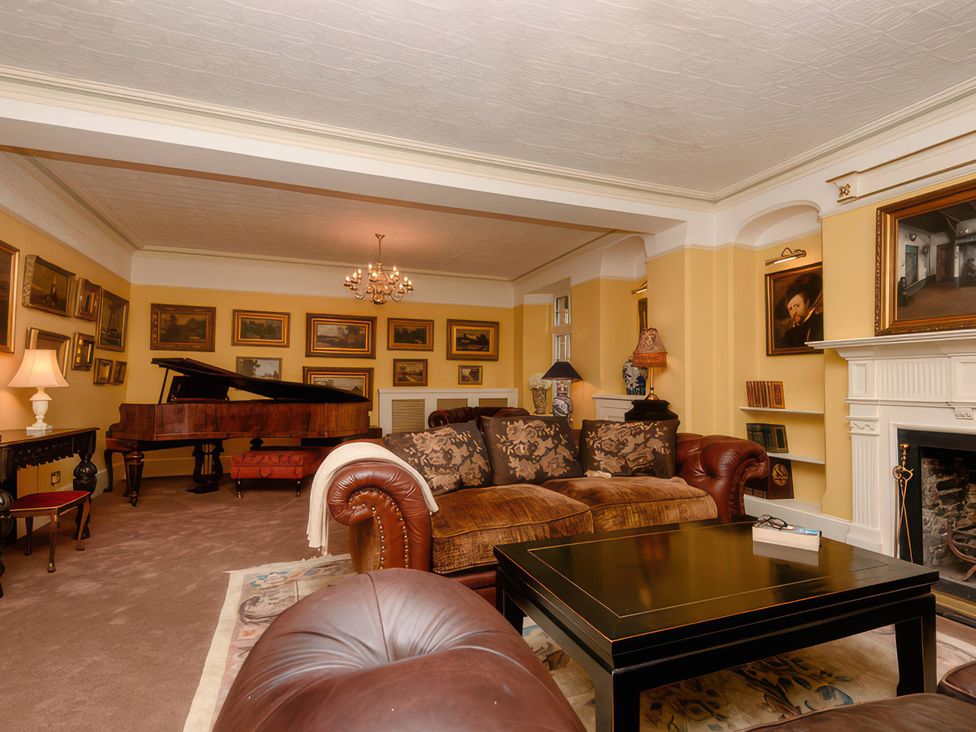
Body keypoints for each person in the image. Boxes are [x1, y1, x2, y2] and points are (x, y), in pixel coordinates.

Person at [780, 272, 823, 348]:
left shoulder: (818, 322)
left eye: (796, 306)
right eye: (790, 309)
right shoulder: (789, 334)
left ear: (807, 304)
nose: (794, 312)